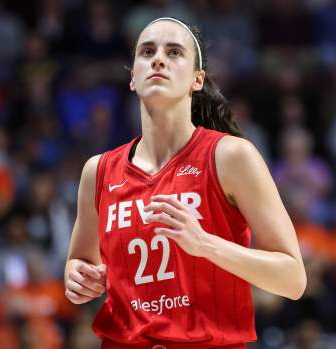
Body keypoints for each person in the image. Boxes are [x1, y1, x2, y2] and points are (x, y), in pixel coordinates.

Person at [64, 17, 306, 348]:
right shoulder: (99, 171)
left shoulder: (231, 157)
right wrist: (78, 278)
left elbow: (293, 279)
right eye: (147, 51)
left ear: (197, 79)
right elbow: (80, 263)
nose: (158, 58)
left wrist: (205, 244)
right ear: (133, 77)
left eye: (174, 51)